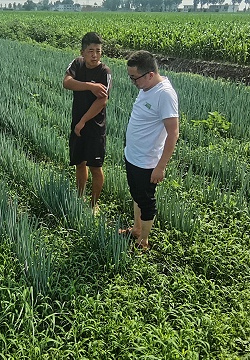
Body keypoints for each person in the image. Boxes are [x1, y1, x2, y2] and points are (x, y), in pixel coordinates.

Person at [122, 50, 179, 252]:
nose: (133, 82)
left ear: (150, 75)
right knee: (136, 195)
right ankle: (137, 229)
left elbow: (173, 133)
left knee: (146, 201)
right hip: (133, 155)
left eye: (134, 78)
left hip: (147, 162)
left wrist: (160, 167)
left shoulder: (164, 94)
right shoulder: (146, 88)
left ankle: (143, 242)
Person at [62, 32, 112, 213]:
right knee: (79, 163)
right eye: (91, 51)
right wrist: (90, 86)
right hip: (77, 124)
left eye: (98, 51)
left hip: (95, 128)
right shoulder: (77, 64)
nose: (95, 55)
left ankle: (94, 204)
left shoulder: (104, 72)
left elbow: (102, 101)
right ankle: (79, 196)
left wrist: (82, 121)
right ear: (82, 52)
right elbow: (67, 82)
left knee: (95, 167)